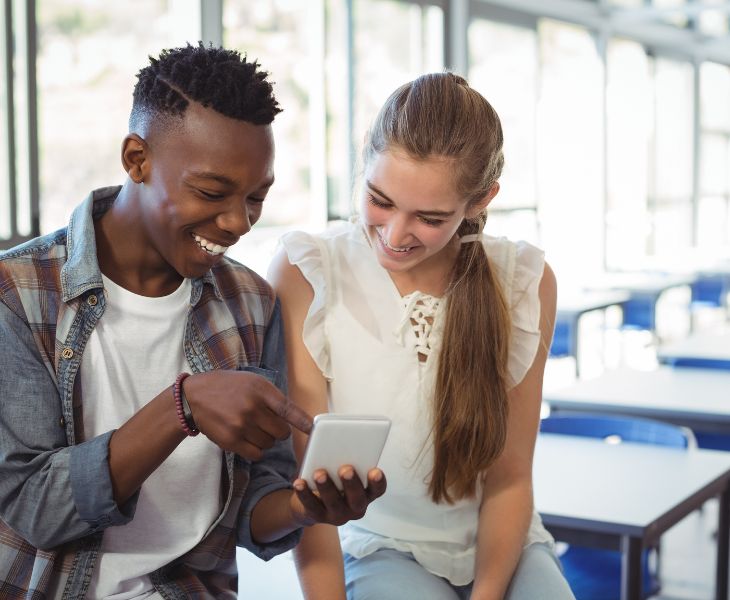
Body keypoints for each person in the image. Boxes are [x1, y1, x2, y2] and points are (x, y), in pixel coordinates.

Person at [0, 43, 385, 598]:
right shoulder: (20, 294)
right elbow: (33, 508)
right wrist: (182, 406)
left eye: (256, 197)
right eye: (212, 192)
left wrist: (304, 507)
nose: (237, 222)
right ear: (137, 159)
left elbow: (253, 506)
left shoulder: (251, 303)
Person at [268, 72, 575, 600]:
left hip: (506, 545)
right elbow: (312, 487)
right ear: (365, 157)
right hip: (379, 546)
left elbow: (509, 480)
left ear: (479, 201)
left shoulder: (523, 281)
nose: (394, 235)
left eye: (430, 218)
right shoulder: (307, 271)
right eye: (380, 200)